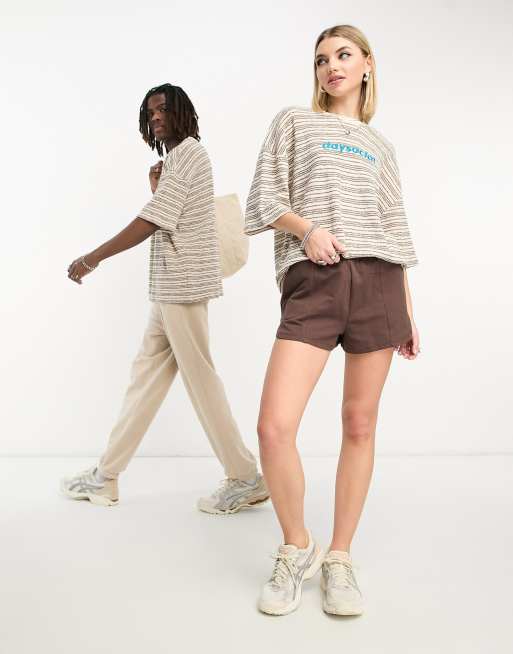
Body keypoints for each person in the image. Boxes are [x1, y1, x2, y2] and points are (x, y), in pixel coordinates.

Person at [244, 25, 420, 616]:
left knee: (359, 424)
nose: (331, 67)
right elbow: (265, 198)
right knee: (274, 426)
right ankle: (298, 546)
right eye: (321, 59)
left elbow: (394, 227)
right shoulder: (295, 122)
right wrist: (308, 230)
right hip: (315, 278)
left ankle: (340, 557)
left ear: (367, 64)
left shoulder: (381, 147)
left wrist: (408, 310)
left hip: (380, 284)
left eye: (343, 55)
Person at [61, 83, 269, 514]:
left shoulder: (190, 153)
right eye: (150, 112)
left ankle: (245, 476)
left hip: (183, 288)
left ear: (182, 113)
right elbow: (173, 214)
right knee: (145, 380)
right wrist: (157, 188)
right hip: (169, 289)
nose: (156, 116)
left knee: (201, 381)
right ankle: (106, 476)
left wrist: (93, 257)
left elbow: (152, 221)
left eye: (163, 109)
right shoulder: (175, 159)